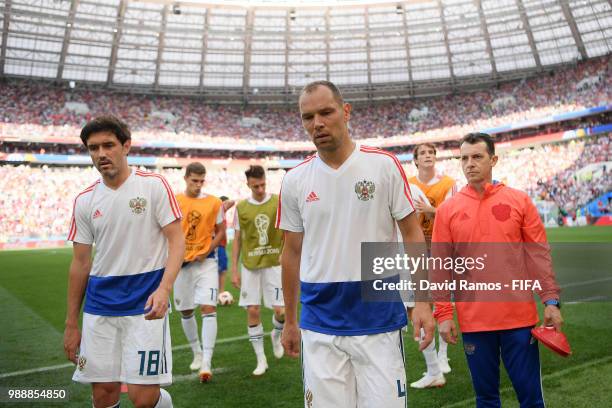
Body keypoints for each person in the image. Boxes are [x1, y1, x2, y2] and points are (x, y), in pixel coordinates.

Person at [277, 80, 435, 407]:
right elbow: (290, 253)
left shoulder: (382, 165)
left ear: (345, 112)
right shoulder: (294, 180)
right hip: (320, 320)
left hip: (377, 315)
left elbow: (412, 233)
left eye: (326, 112)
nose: (317, 123)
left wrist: (422, 301)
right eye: (308, 117)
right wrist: (290, 321)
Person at [432, 132, 563, 408]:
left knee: (531, 399)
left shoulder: (519, 201)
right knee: (487, 400)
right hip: (475, 321)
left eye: (477, 157)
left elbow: (538, 255)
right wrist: (443, 314)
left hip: (519, 320)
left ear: (493, 160)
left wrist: (550, 301)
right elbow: (441, 267)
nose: (469, 163)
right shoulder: (447, 210)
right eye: (464, 158)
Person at [63, 115, 185, 408]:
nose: (101, 154)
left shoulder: (154, 186)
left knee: (143, 399)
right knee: (104, 394)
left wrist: (164, 289)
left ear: (126, 146)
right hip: (100, 306)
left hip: (145, 305)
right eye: (93, 148)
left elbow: (177, 241)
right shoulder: (85, 200)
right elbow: (80, 263)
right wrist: (71, 323)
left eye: (108, 145)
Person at [408, 143, 457, 389]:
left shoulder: (448, 183)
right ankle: (433, 369)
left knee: (440, 302)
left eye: (431, 153)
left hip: (439, 247)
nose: (428, 156)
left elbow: (455, 215)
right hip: (414, 250)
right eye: (423, 154)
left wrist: (430, 210)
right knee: (415, 307)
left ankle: (442, 356)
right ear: (416, 160)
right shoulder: (407, 183)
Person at [173, 162, 226, 382]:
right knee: (186, 311)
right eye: (194, 180)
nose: (198, 185)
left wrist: (208, 250)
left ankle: (206, 362)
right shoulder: (175, 201)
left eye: (201, 181)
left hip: (206, 263)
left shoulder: (214, 202)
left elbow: (222, 230)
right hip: (181, 264)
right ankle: (197, 351)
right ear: (185, 178)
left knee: (208, 307)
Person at [231, 165, 285, 376]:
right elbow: (236, 240)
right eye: (256, 186)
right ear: (248, 185)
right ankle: (261, 359)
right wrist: (234, 270)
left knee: (281, 312)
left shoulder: (278, 201)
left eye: (262, 184)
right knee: (252, 310)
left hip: (275, 263)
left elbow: (290, 229)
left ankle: (275, 335)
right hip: (250, 266)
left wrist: (286, 252)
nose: (260, 189)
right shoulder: (242, 208)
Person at [216, 196, 235, 295]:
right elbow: (232, 201)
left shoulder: (221, 213)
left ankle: (219, 292)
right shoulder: (218, 211)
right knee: (222, 270)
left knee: (221, 270)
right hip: (218, 246)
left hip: (220, 245)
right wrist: (221, 204)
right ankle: (221, 292)